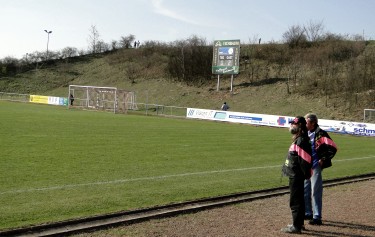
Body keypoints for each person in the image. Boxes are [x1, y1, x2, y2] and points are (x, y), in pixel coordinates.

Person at [304, 113, 337, 225]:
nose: (305, 124)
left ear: (313, 123)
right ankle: (308, 212)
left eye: (306, 122)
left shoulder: (321, 133)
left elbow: (333, 147)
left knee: (315, 192)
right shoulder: (304, 133)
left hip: (315, 166)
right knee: (306, 190)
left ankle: (317, 217)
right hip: (306, 166)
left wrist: (323, 159)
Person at [281, 116, 312, 234]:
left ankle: (296, 226)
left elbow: (305, 160)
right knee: (299, 200)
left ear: (300, 126)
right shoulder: (300, 139)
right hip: (296, 174)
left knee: (295, 201)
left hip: (296, 175)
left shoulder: (301, 140)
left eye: (293, 124)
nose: (291, 126)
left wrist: (306, 174)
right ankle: (299, 223)